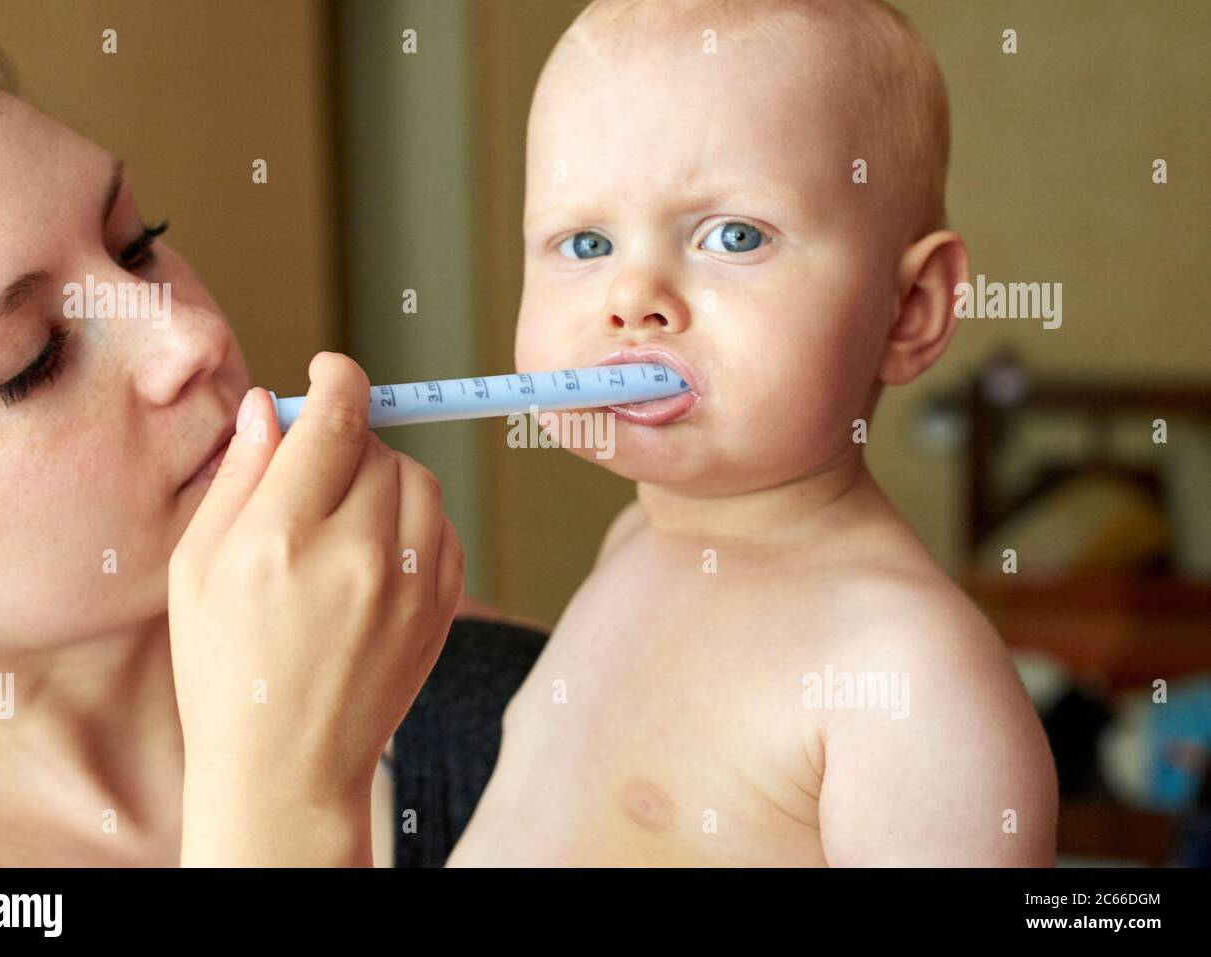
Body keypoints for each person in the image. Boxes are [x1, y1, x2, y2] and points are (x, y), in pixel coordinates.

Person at [0, 0, 545, 868]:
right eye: (37, 359)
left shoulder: (517, 712)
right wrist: (289, 796)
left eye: (138, 244)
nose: (192, 338)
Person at [445, 0, 1058, 865]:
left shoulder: (906, 675)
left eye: (733, 235)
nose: (632, 298)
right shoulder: (638, 538)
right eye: (584, 243)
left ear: (910, 311)